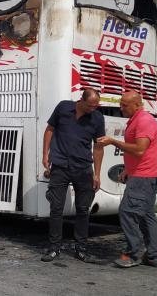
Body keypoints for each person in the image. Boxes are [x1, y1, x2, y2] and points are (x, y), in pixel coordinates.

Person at [97, 90, 157, 268]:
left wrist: (112, 141)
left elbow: (140, 149)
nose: (121, 107)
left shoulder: (144, 121)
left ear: (137, 104)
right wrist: (128, 168)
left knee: (127, 212)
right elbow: (143, 152)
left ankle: (133, 254)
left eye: (124, 105)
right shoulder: (137, 119)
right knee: (146, 216)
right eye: (121, 103)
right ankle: (153, 255)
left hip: (144, 178)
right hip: (145, 175)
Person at [41, 88, 105, 262]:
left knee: (83, 209)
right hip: (60, 166)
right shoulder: (63, 108)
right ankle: (54, 248)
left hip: (83, 168)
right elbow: (50, 129)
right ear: (81, 100)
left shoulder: (98, 118)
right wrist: (45, 155)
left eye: (96, 106)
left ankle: (81, 249)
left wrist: (97, 174)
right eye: (91, 105)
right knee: (56, 208)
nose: (93, 109)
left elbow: (98, 147)